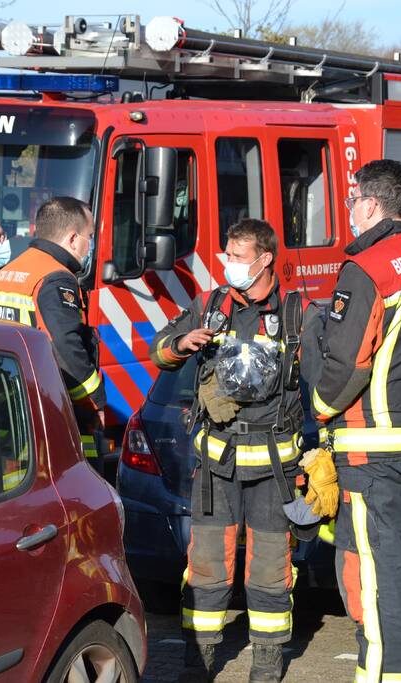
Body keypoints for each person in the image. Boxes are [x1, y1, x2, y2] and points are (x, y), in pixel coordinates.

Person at [308, 160, 401, 683]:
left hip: (374, 451)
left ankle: (385, 674)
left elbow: (347, 364)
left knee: (381, 569)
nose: (350, 209)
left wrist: (319, 408)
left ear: (372, 205)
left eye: (353, 200)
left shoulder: (366, 269)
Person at [149, 219, 305, 683]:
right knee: (206, 565)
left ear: (265, 259)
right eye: (228, 255)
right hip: (217, 468)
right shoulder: (210, 305)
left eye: (238, 257)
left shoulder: (297, 314)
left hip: (274, 470)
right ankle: (197, 662)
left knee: (271, 567)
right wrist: (181, 344)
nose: (229, 264)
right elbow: (159, 351)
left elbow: (325, 384)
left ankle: (267, 661)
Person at [0, 196, 106, 468]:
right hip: (48, 404)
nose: (90, 244)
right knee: (78, 473)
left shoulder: (6, 273)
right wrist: (93, 403)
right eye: (89, 236)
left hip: (9, 399)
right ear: (73, 239)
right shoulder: (56, 277)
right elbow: (65, 345)